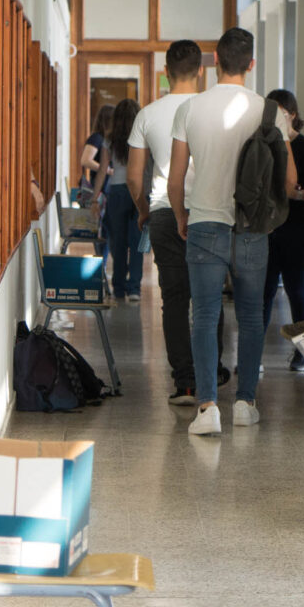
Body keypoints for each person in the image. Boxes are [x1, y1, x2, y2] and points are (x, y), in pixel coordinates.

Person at [168, 27, 295, 436]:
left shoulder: (189, 109)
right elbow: (289, 181)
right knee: (251, 316)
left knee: (203, 315)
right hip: (252, 227)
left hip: (204, 221)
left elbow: (175, 179)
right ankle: (245, 402)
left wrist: (180, 216)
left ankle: (207, 407)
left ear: (215, 62)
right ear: (251, 65)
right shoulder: (270, 112)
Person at [129, 41, 205, 404]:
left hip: (161, 210)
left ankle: (185, 384)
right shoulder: (209, 110)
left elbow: (133, 177)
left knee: (174, 299)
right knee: (207, 299)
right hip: (208, 212)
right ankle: (210, 377)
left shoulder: (148, 114)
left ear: (165, 72)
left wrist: (144, 210)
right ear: (201, 71)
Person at [260, 88, 304, 342]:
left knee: (297, 289)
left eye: (282, 113)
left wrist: (296, 194)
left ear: (293, 115)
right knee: (264, 291)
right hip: (271, 227)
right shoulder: (263, 146)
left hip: (302, 227)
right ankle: (254, 356)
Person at [99, 97, 143, 302]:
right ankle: (134, 287)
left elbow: (102, 170)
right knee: (137, 242)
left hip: (116, 191)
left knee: (117, 242)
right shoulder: (142, 136)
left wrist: (94, 197)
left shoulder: (110, 139)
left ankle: (118, 287)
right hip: (138, 190)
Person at [79, 104, 113, 196]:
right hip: (100, 188)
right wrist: (108, 170)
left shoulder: (105, 139)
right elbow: (85, 160)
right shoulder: (97, 138)